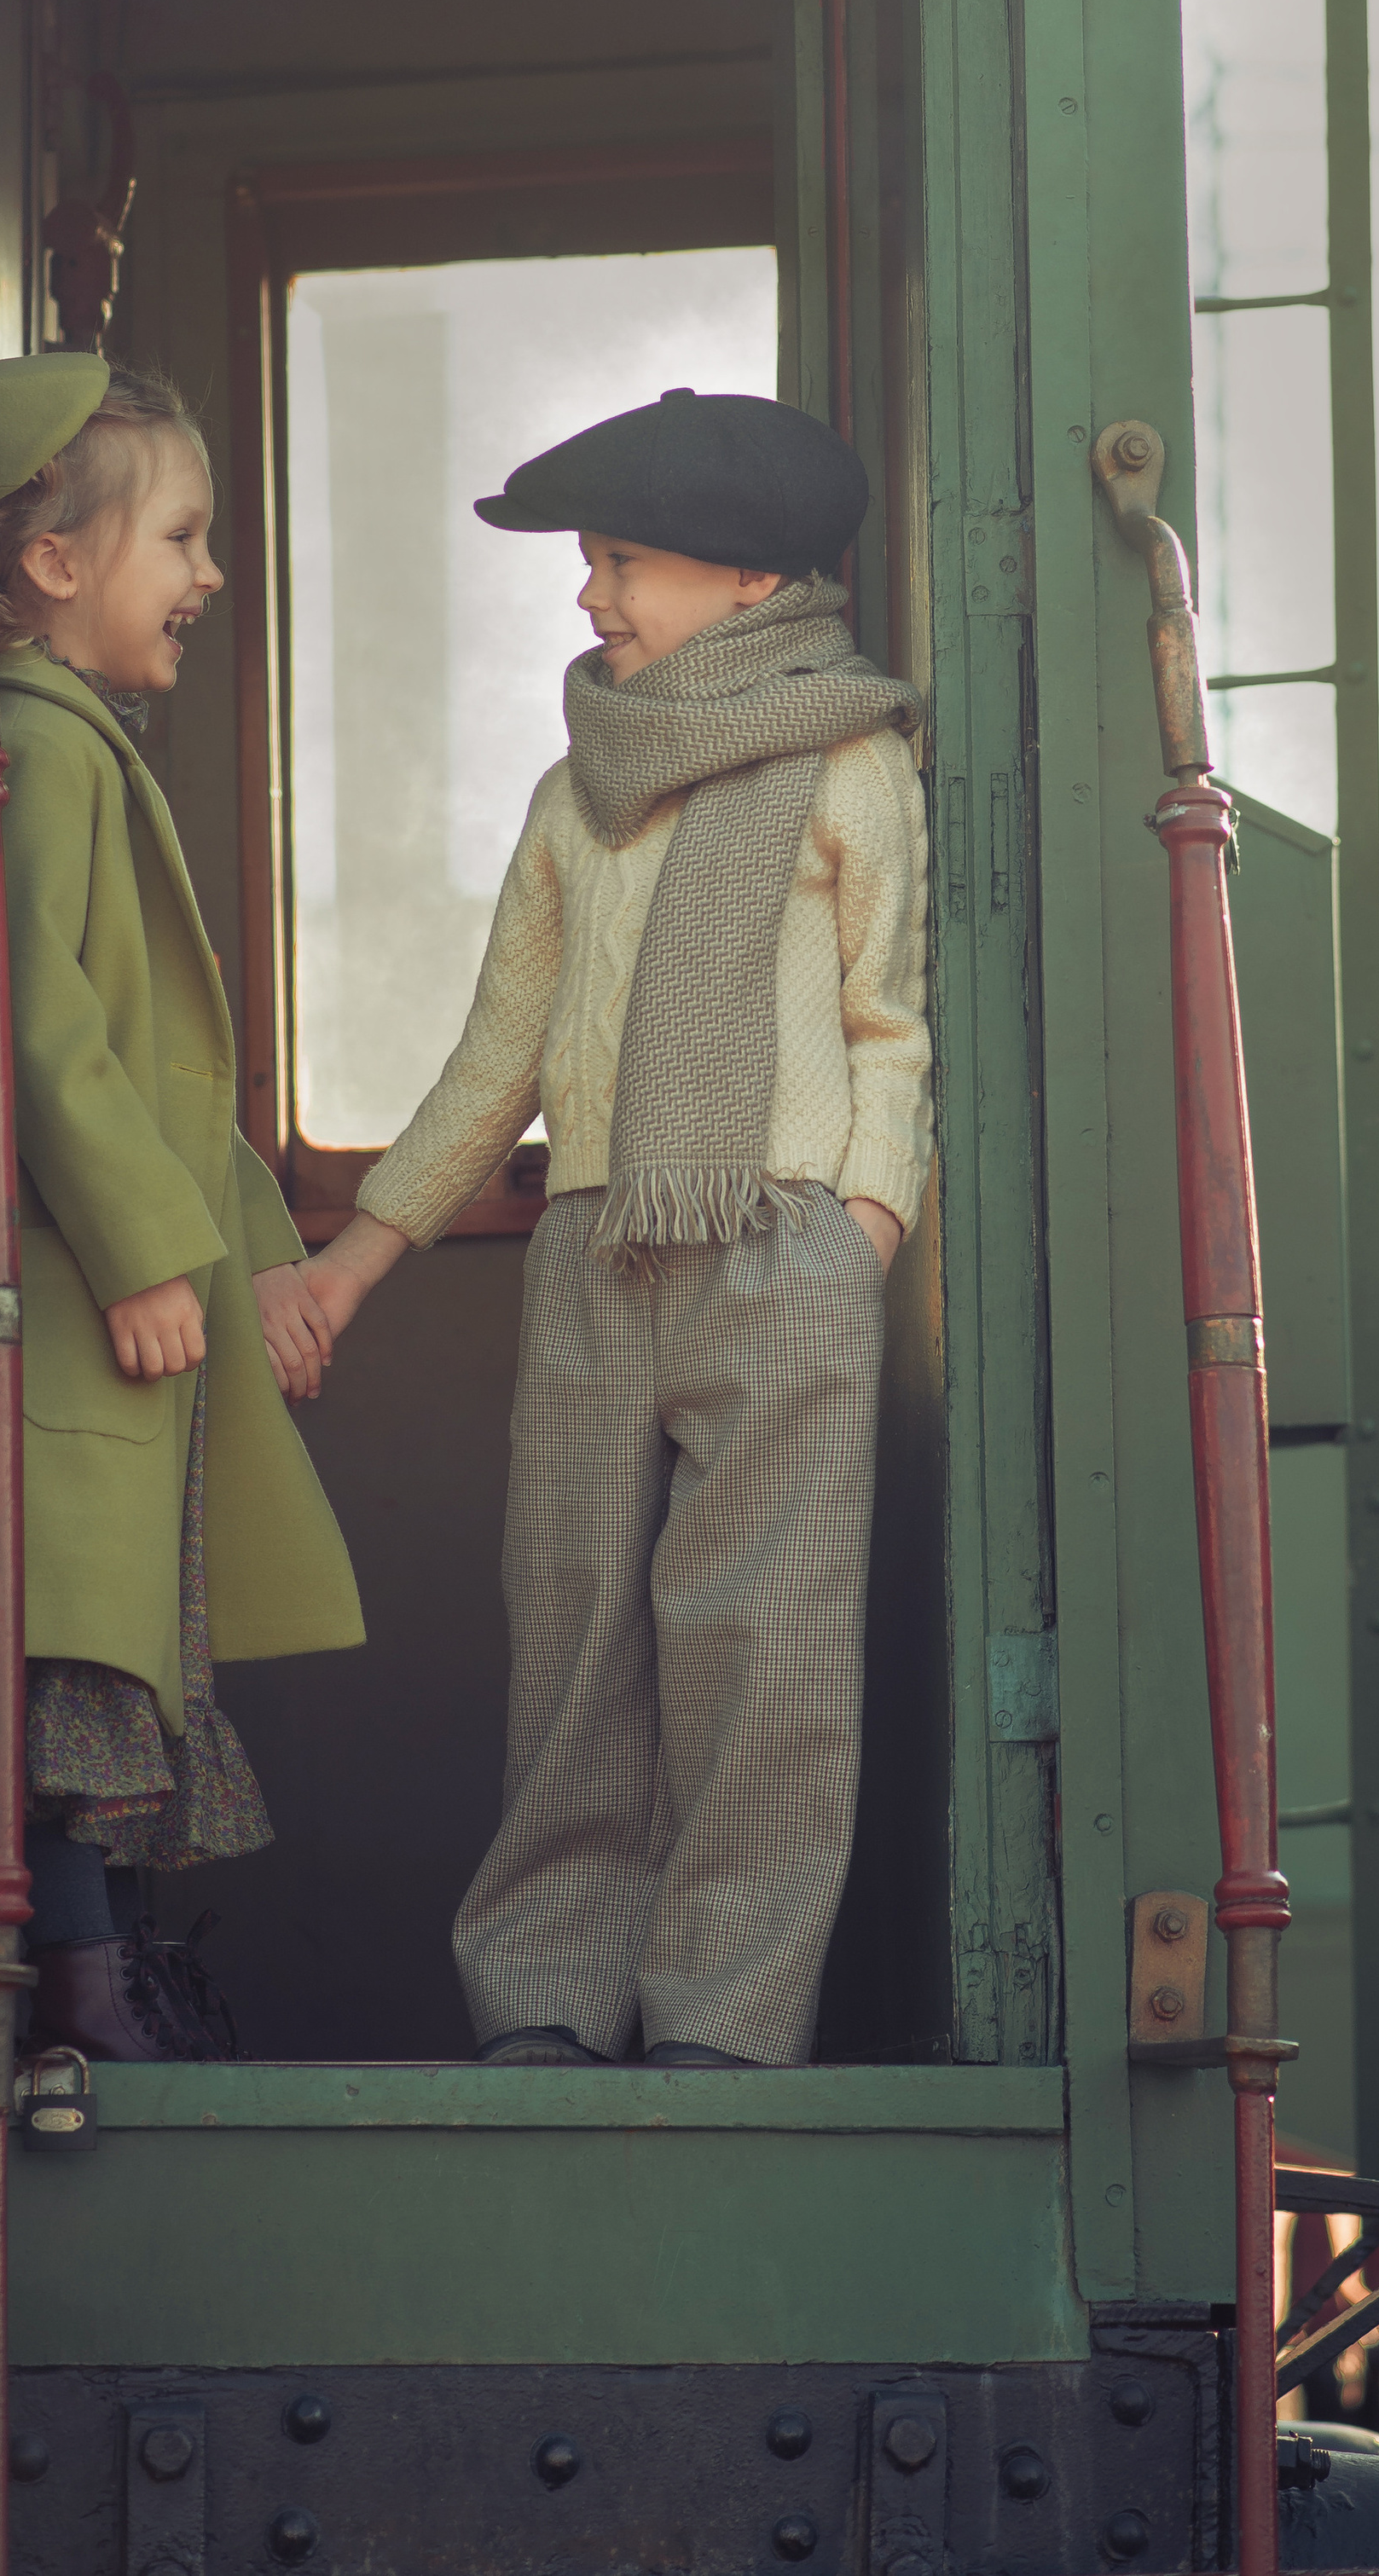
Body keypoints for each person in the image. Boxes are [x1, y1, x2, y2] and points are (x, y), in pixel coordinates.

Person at [303, 388, 932, 2070]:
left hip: (781, 1246)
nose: (592, 598)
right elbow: (497, 1055)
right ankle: (549, 2003)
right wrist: (357, 1258)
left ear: (745, 580)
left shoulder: (848, 760)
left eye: (623, 562)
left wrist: (861, 1223)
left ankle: (724, 2023)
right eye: (590, 562)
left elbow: (888, 1021)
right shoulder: (571, 796)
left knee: (761, 1645)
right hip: (594, 1256)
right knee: (572, 1619)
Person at [0, 354, 362, 2059]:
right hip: (80, 1302)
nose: (210, 576)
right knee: (76, 1660)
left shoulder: (80, 741)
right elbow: (38, 1020)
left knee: (129, 1649)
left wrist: (265, 1261)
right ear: (58, 561)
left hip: (124, 1294)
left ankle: (120, 1965)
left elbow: (166, 1079)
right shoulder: (40, 746)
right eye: (184, 539)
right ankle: (81, 1989)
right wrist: (150, 1253)